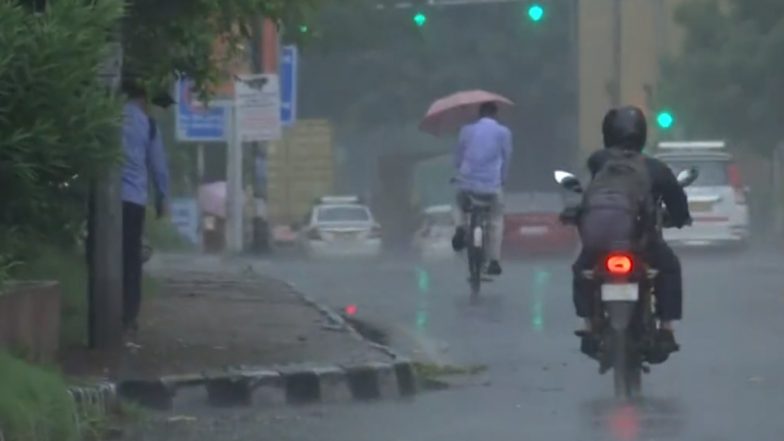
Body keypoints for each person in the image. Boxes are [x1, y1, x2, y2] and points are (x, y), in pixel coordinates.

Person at [571, 105, 691, 356]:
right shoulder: (655, 167)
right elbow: (677, 203)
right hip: (640, 242)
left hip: (599, 242)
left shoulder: (598, 160)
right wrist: (680, 219)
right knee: (669, 268)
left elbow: (588, 191)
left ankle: (589, 323)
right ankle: (667, 328)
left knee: (582, 268)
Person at [121, 81, 170, 333]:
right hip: (134, 201)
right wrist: (162, 199)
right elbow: (158, 166)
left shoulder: (109, 120)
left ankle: (103, 309)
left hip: (106, 203)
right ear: (142, 100)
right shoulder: (148, 125)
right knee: (131, 260)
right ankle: (128, 315)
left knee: (103, 256)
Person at [451, 102, 512, 275]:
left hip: (467, 183)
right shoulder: (504, 132)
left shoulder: (466, 130)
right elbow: (507, 158)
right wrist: (503, 179)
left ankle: (460, 228)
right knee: (496, 220)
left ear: (480, 114)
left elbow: (458, 157)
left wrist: (458, 169)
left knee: (458, 202)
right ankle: (494, 260)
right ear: (495, 114)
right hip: (492, 186)